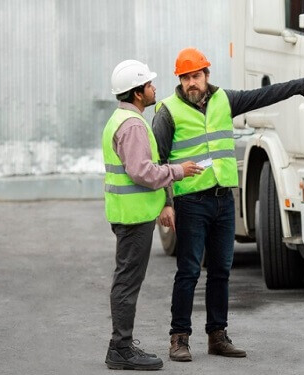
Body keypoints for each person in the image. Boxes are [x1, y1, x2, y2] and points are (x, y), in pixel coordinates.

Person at [152, 47, 304, 362]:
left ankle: (217, 336)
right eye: (185, 77)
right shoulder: (168, 111)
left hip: (224, 200)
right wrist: (165, 203)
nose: (190, 83)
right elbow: (157, 160)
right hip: (190, 202)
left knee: (222, 271)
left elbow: (265, 95)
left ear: (206, 75)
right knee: (188, 271)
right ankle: (179, 337)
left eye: (195, 75)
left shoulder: (226, 100)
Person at [102, 59, 202, 370]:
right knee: (128, 282)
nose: (154, 87)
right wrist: (178, 171)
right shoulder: (132, 125)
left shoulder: (124, 119)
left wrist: (163, 202)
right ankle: (120, 347)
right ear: (137, 93)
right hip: (132, 217)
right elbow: (141, 171)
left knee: (127, 279)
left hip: (131, 213)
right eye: (148, 85)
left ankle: (122, 344)